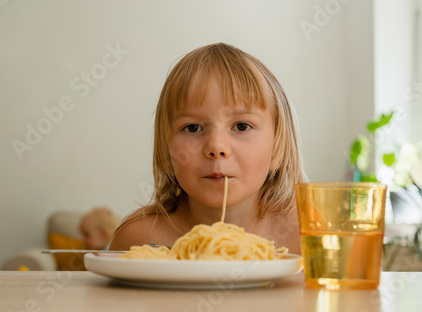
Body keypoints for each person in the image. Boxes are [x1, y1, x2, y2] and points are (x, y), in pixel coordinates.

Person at [109, 43, 305, 254]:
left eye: (241, 126)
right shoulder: (139, 240)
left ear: (277, 150)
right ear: (167, 152)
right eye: (193, 128)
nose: (216, 147)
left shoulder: (307, 234)